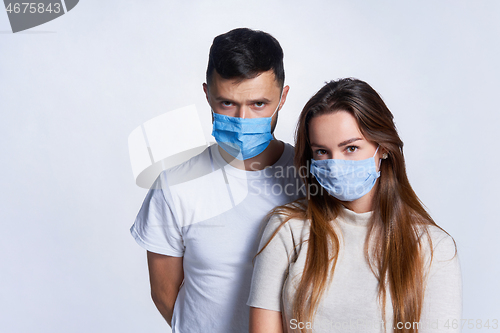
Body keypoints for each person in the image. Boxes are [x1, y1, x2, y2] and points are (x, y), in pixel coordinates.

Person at [247, 78, 462, 333]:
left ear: (382, 148)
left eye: (350, 148)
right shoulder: (287, 228)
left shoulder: (433, 247)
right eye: (321, 152)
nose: (336, 165)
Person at [130, 28, 304, 332]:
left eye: (259, 104)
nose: (242, 119)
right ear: (207, 94)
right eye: (227, 104)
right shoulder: (174, 186)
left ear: (283, 97)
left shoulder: (311, 179)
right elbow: (163, 292)